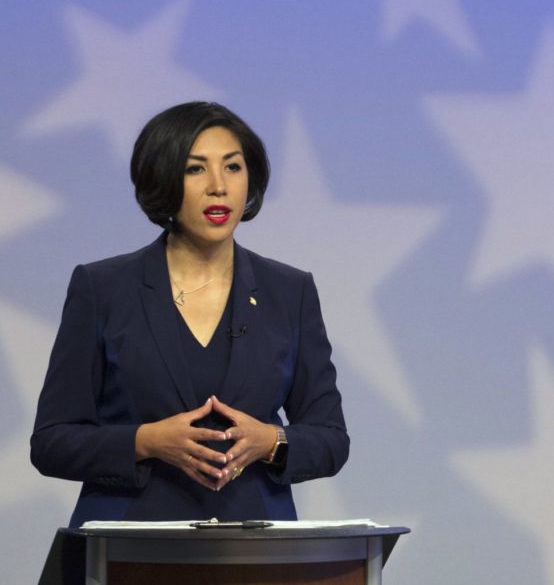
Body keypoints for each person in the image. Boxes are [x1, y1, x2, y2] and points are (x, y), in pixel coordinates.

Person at [31, 102, 349, 527]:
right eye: (196, 169)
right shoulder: (102, 288)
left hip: (256, 551)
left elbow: (331, 439)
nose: (219, 187)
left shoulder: (290, 292)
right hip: (128, 545)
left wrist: (272, 440)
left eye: (233, 168)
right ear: (163, 179)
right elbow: (52, 442)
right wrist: (145, 441)